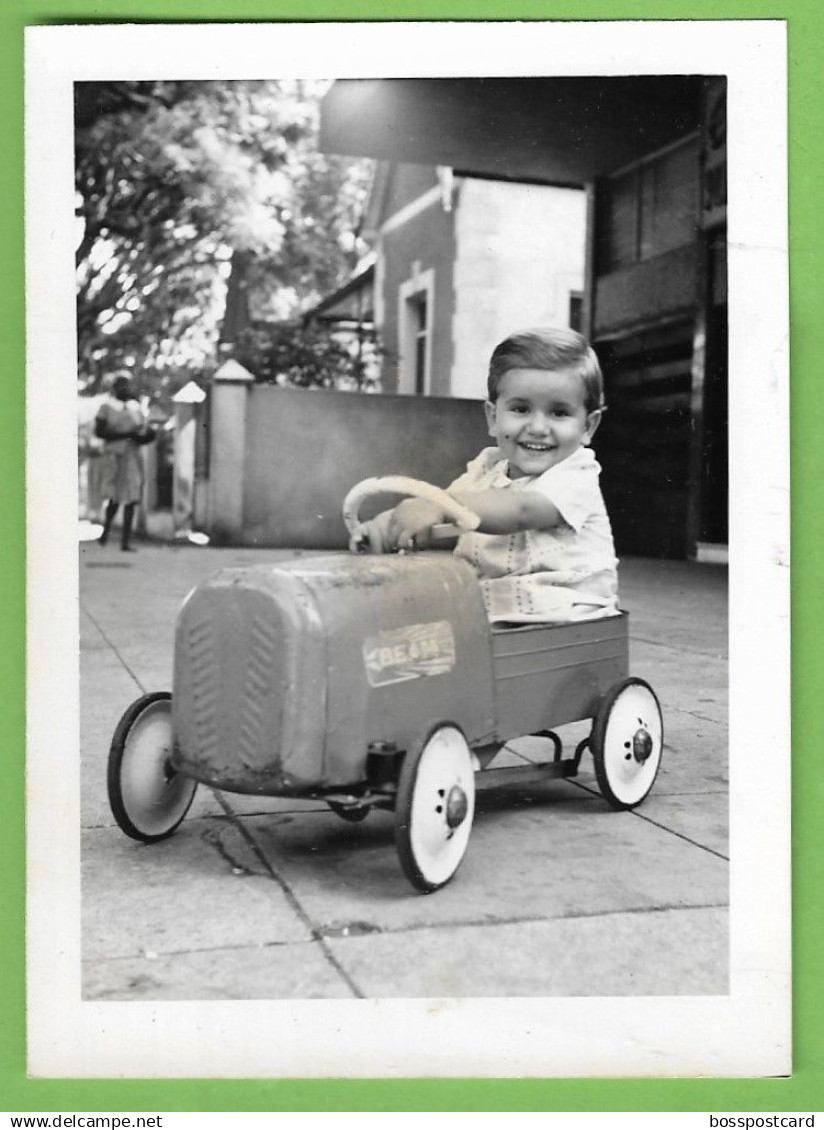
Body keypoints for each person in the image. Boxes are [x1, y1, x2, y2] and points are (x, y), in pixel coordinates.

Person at [354, 327, 619, 624]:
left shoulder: (575, 474)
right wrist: (392, 527)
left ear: (588, 427)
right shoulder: (485, 470)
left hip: (567, 615)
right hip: (495, 613)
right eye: (521, 409)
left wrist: (439, 505)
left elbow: (521, 510)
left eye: (559, 413)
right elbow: (446, 520)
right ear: (493, 417)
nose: (537, 428)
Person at [94, 374, 156, 551]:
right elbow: (100, 432)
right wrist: (125, 435)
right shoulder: (106, 407)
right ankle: (106, 532)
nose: (126, 389)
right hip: (114, 456)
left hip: (132, 456)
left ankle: (125, 541)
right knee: (114, 497)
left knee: (132, 497)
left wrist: (148, 435)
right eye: (122, 386)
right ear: (114, 388)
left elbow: (141, 433)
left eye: (128, 386)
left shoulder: (135, 408)